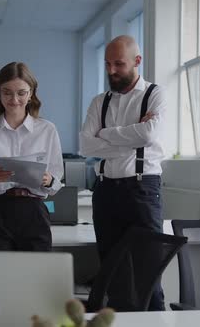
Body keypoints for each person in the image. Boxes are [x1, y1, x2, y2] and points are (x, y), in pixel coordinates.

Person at [79, 35, 168, 311]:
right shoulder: (98, 102)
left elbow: (151, 134)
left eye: (118, 64)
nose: (111, 71)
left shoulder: (155, 94)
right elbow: (85, 145)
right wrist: (131, 140)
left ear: (137, 61)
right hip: (105, 192)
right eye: (107, 64)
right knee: (112, 270)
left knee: (147, 271)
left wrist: (105, 136)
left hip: (142, 191)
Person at [0, 61, 64, 252]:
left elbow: (57, 183)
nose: (14, 99)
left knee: (36, 274)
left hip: (34, 211)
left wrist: (49, 179)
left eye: (21, 92)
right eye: (7, 92)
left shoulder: (47, 129)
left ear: (31, 94)